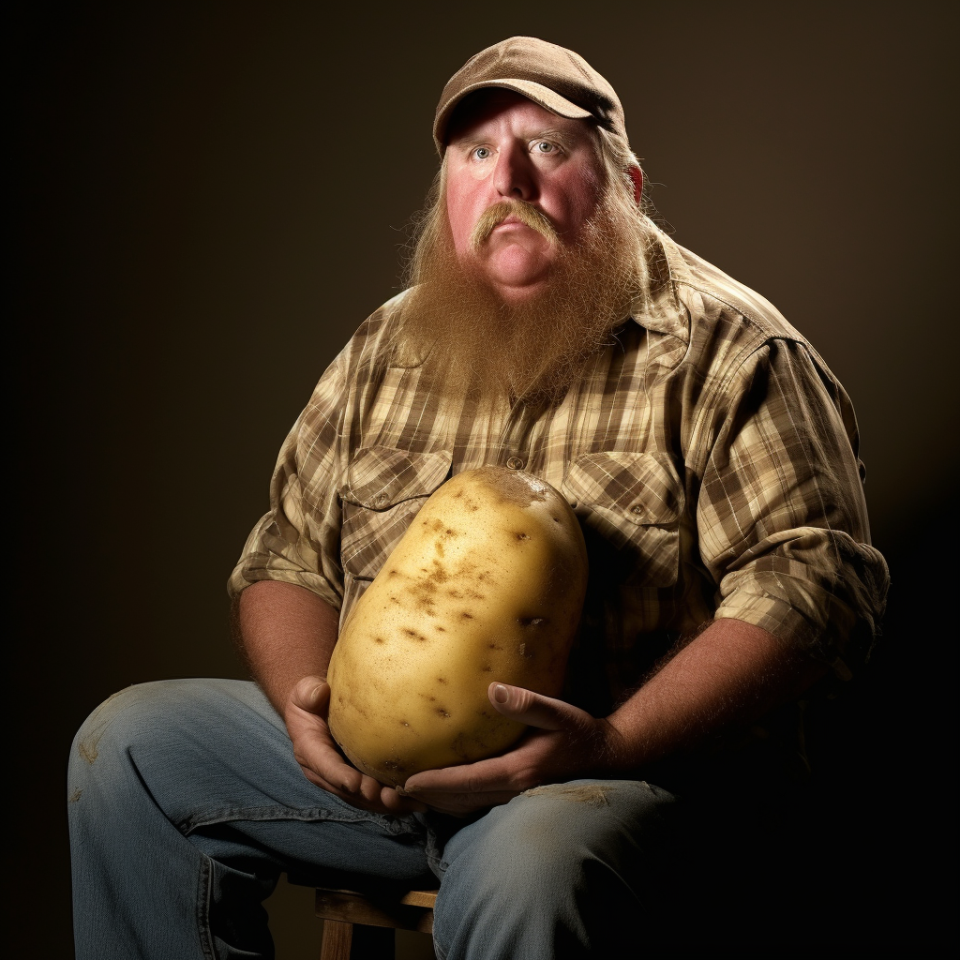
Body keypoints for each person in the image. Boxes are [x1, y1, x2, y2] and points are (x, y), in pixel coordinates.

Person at [68, 37, 889, 958]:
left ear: (626, 182)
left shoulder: (736, 354)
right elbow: (285, 555)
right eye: (476, 153)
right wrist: (311, 711)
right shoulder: (387, 345)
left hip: (618, 785)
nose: (510, 183)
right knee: (131, 749)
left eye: (546, 147)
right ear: (446, 192)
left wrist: (610, 744)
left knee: (532, 864)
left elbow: (817, 589)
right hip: (383, 777)